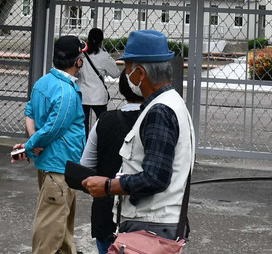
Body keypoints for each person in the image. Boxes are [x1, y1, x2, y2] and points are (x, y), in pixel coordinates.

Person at [82, 29, 195, 243]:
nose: (126, 74)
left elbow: (154, 178)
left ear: (140, 73)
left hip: (151, 225)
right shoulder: (172, 102)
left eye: (127, 68)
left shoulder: (160, 111)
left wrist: (107, 186)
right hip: (158, 224)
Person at [23, 35, 87, 254]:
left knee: (62, 226)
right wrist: (32, 144)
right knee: (50, 231)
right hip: (60, 167)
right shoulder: (66, 92)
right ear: (77, 60)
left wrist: (34, 140)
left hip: (51, 165)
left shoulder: (43, 82)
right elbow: (54, 128)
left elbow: (29, 111)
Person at [80, 72, 144, 254]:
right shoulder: (155, 121)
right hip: (144, 215)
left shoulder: (104, 120)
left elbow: (86, 164)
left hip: (106, 212)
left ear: (123, 89)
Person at [78, 27, 120, 130]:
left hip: (83, 95)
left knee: (83, 127)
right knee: (101, 126)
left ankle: (84, 145)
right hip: (99, 97)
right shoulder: (104, 56)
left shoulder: (81, 55)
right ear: (101, 41)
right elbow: (115, 74)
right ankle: (98, 145)